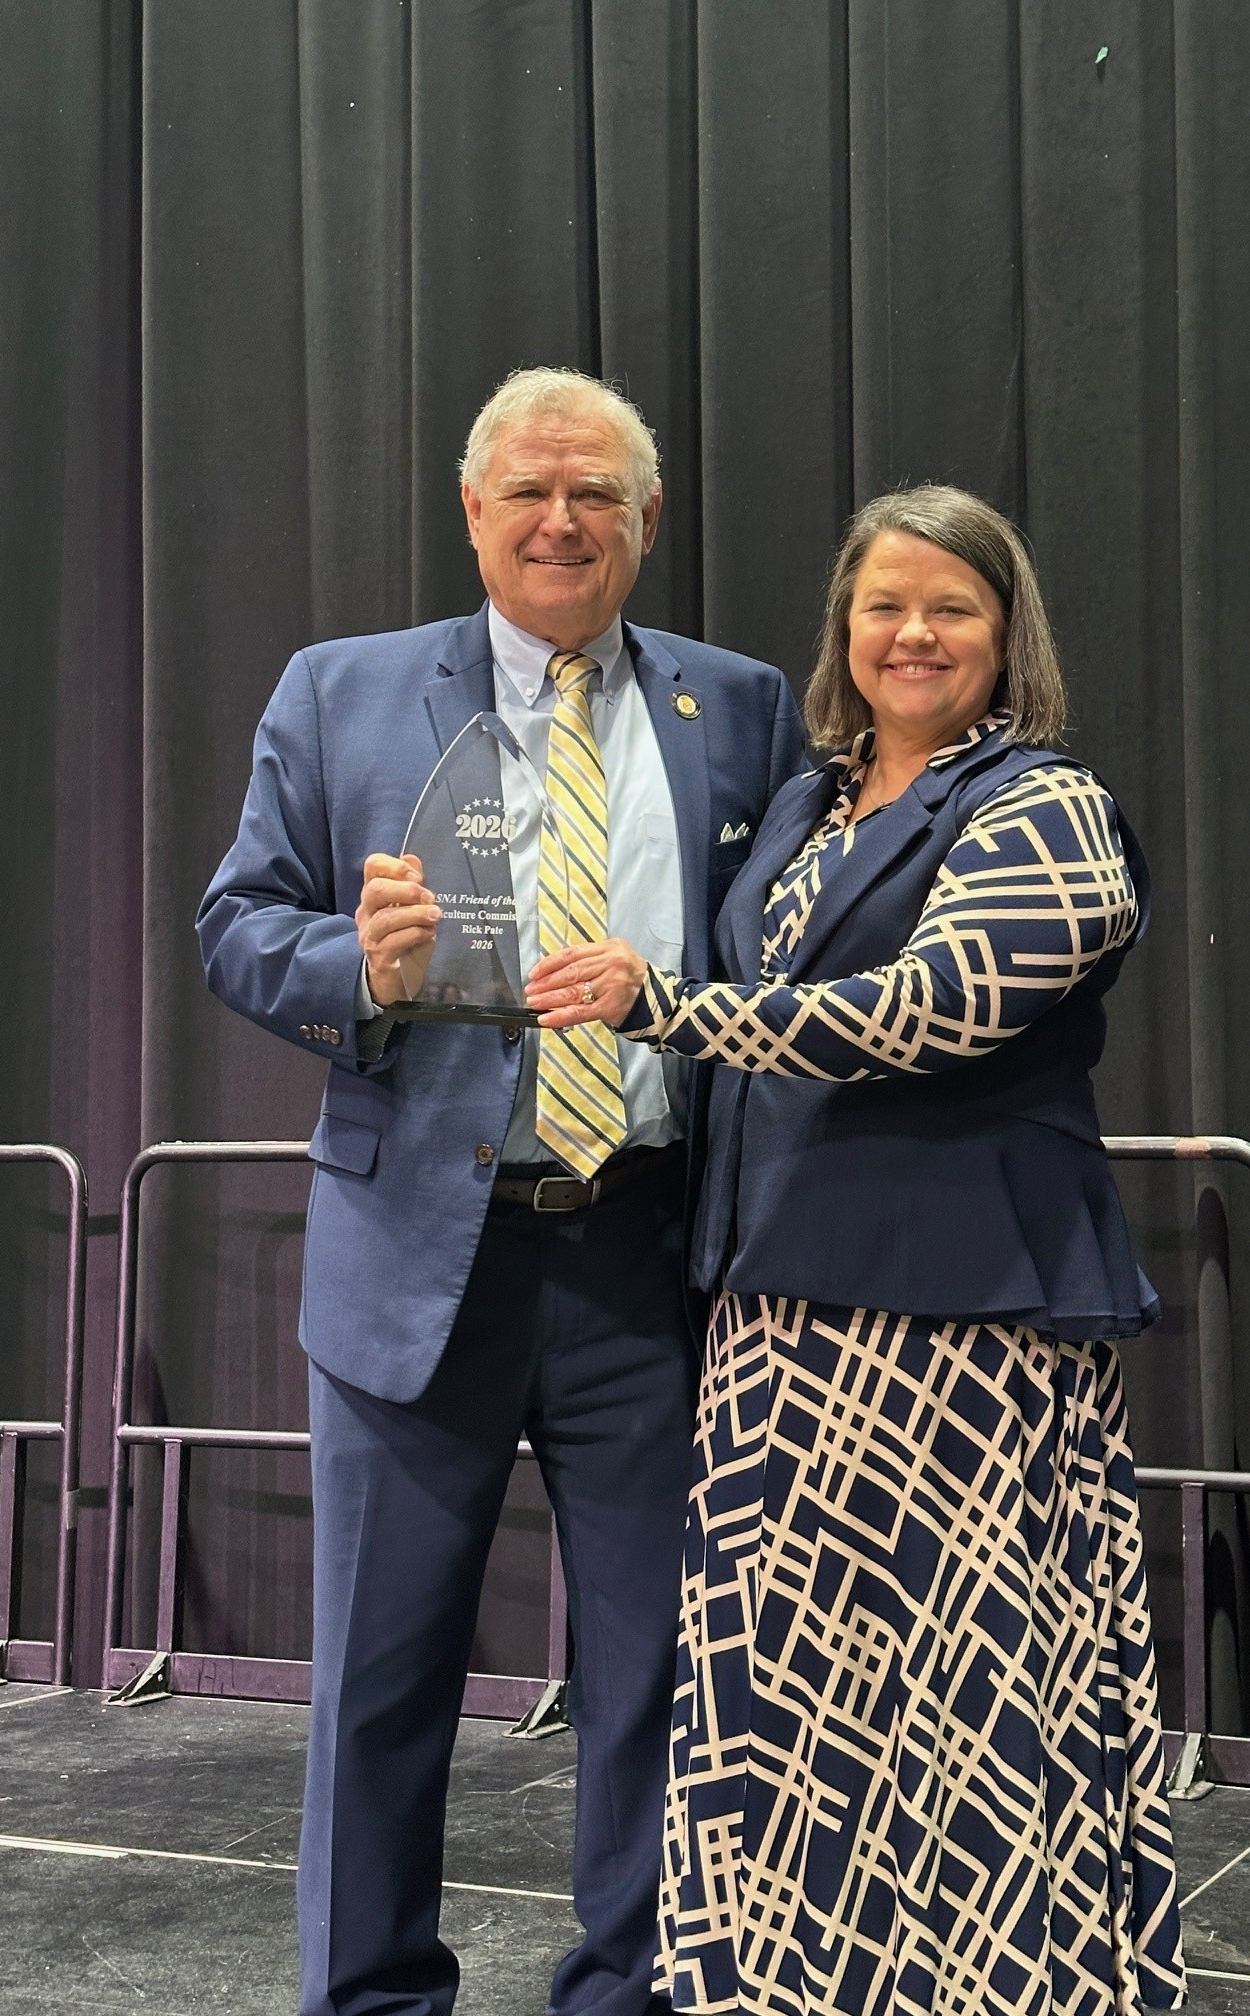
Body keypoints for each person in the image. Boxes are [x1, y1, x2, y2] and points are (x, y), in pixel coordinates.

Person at [525, 485, 1188, 2014]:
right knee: (788, 1699)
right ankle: (793, 1981)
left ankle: (995, 1986)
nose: (913, 633)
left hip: (955, 1327)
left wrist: (667, 1006)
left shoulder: (1041, 806)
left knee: (961, 1693)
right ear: (844, 630)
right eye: (884, 604)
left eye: (952, 606)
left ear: (1005, 633)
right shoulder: (814, 804)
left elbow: (937, 1007)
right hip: (775, 1326)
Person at [197, 366, 805, 2016]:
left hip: (654, 1262)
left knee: (656, 1680)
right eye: (529, 490)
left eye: (596, 494)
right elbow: (237, 927)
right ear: (472, 512)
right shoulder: (341, 695)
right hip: (416, 1269)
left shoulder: (741, 708)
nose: (561, 520)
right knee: (383, 1682)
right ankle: (374, 1997)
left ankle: (633, 1987)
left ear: (647, 522)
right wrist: (361, 965)